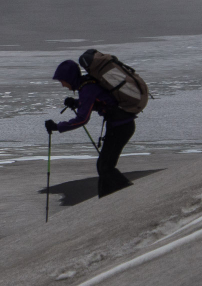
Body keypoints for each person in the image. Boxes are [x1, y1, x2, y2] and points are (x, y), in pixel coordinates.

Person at [45, 59, 136, 197]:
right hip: (121, 125)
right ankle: (111, 199)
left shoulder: (87, 88)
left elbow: (82, 119)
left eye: (62, 81)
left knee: (105, 166)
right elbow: (99, 102)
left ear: (69, 78)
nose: (62, 85)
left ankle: (126, 198)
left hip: (120, 127)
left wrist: (58, 127)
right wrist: (77, 103)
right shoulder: (87, 85)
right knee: (104, 165)